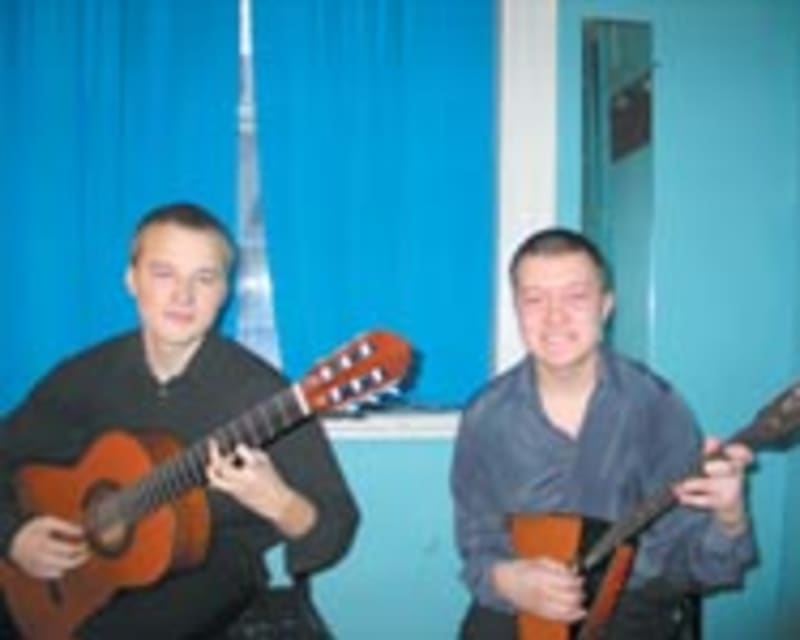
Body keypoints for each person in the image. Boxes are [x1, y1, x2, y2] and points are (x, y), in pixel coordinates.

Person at [0, 202, 359, 638]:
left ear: (224, 292)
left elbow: (336, 526)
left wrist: (280, 503)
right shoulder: (86, 376)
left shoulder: (264, 397)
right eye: (163, 273)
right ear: (131, 280)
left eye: (204, 278)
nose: (183, 296)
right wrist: (13, 536)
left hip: (208, 565)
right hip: (78, 561)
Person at [451, 228, 755, 639]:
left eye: (575, 297)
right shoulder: (486, 417)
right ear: (517, 310)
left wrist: (730, 520)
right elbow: (477, 543)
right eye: (535, 299)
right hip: (523, 607)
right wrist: (506, 580)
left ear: (606, 306)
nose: (554, 317)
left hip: (630, 609)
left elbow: (699, 568)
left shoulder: (656, 408)